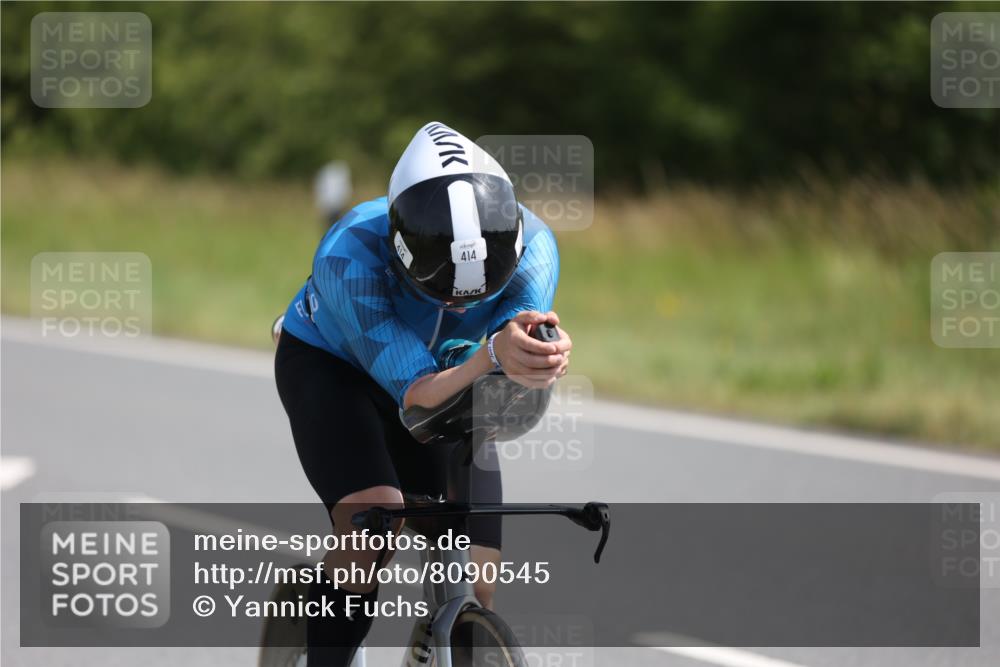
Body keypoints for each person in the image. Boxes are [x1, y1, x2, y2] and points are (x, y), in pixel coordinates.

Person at [273, 121, 572, 666]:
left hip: (449, 373)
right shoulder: (348, 255)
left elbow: (509, 345)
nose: (460, 309)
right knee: (372, 524)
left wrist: (535, 353)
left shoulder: (536, 247)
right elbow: (416, 394)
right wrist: (493, 355)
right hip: (334, 371)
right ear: (398, 249)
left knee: (476, 578)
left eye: (479, 295)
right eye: (439, 293)